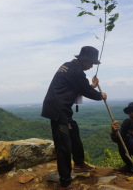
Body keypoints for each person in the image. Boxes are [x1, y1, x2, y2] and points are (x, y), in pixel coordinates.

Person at [42, 46, 107, 190]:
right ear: (83, 60)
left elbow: (76, 87)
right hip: (58, 110)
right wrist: (99, 95)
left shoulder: (68, 65)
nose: (91, 66)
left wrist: (92, 86)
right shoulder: (77, 71)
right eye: (91, 63)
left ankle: (78, 164)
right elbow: (86, 90)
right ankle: (65, 182)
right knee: (63, 146)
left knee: (74, 132)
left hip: (60, 108)